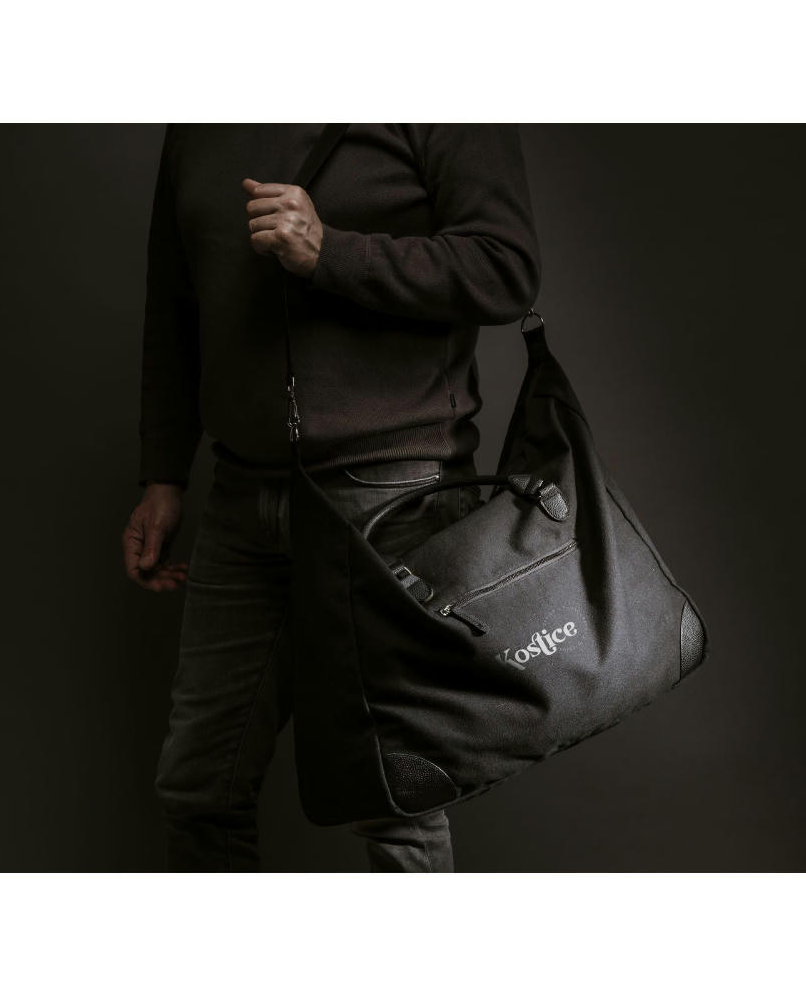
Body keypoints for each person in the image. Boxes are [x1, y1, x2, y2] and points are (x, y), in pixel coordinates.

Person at [121, 124, 541, 872]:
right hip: (242, 494)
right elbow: (175, 300)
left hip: (388, 497)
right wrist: (163, 476)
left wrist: (330, 252)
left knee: (394, 801)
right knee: (198, 789)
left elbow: (505, 269)